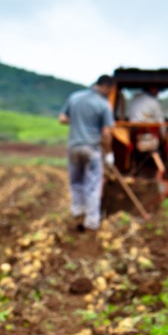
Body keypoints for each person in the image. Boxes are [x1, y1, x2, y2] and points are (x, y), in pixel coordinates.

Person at [58, 75, 115, 232]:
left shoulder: (75, 97)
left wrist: (77, 122)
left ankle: (78, 212)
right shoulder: (104, 105)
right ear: (106, 86)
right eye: (111, 90)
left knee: (76, 182)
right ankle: (91, 222)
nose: (111, 93)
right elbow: (106, 133)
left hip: (74, 147)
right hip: (92, 148)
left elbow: (62, 119)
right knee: (92, 185)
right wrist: (109, 153)